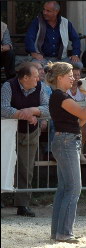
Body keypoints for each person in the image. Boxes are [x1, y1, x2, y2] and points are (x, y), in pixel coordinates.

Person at [46, 61, 86, 243]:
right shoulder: (60, 96)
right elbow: (85, 115)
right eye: (70, 75)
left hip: (66, 140)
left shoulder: (59, 96)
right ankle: (64, 233)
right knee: (73, 189)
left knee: (64, 189)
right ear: (60, 77)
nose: (73, 78)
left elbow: (78, 122)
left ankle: (58, 232)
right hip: (67, 143)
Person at [1, 62, 50, 217]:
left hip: (30, 132)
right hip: (8, 132)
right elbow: (3, 108)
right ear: (25, 77)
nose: (38, 79)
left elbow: (48, 109)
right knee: (3, 165)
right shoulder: (8, 86)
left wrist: (33, 110)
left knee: (26, 169)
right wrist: (26, 115)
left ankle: (23, 204)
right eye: (35, 77)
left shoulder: (41, 87)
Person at [24, 1, 83, 68]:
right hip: (43, 58)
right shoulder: (37, 22)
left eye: (48, 11)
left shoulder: (65, 23)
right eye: (44, 9)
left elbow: (75, 38)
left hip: (62, 59)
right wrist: (33, 53)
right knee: (35, 66)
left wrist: (75, 54)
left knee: (78, 65)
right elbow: (29, 37)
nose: (44, 12)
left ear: (56, 12)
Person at [66, 66, 86, 161]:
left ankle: (80, 151)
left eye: (78, 75)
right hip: (68, 117)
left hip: (81, 116)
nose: (76, 77)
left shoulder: (84, 89)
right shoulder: (65, 89)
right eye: (74, 75)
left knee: (84, 128)